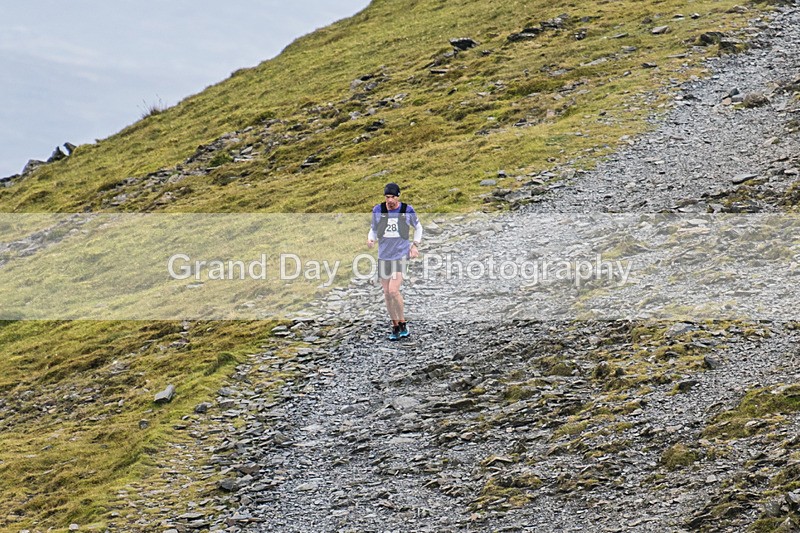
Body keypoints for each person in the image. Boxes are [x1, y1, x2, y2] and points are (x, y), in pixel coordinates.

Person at [367, 183, 423, 340]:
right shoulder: (378, 210)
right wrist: (370, 239)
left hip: (400, 255)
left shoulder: (406, 210)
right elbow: (373, 228)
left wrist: (414, 246)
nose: (389, 200)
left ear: (398, 196)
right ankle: (395, 325)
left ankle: (403, 322)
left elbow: (418, 228)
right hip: (384, 255)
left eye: (392, 197)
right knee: (386, 293)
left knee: (393, 290)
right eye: (387, 197)